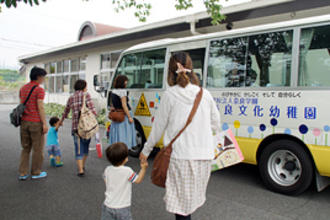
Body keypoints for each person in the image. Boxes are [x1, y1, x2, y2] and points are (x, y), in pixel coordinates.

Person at [139, 52, 221, 220]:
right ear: (192, 69)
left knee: (181, 208)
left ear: (170, 71)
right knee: (189, 204)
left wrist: (145, 151)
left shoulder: (170, 95)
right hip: (204, 157)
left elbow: (158, 127)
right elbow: (216, 124)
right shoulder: (204, 94)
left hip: (181, 157)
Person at [101, 142, 148, 220]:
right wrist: (143, 168)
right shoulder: (127, 171)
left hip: (108, 205)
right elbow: (138, 180)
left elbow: (106, 181)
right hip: (122, 207)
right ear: (125, 158)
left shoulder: (107, 169)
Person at [60, 79, 97, 177]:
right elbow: (93, 110)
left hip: (76, 127)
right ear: (83, 87)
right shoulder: (86, 95)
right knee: (85, 148)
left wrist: (61, 121)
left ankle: (80, 169)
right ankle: (82, 165)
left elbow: (66, 111)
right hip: (87, 127)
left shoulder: (71, 98)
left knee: (78, 148)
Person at [18, 66, 48, 180]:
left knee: (25, 148)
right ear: (39, 77)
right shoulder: (39, 89)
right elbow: (40, 107)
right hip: (35, 123)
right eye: (43, 77)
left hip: (24, 122)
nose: (44, 79)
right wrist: (44, 123)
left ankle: (22, 173)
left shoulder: (23, 88)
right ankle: (36, 172)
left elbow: (22, 104)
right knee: (38, 149)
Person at [108, 75, 136, 149]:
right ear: (123, 82)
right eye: (125, 81)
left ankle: (117, 150)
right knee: (125, 135)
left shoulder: (113, 91)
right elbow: (124, 105)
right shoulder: (123, 92)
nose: (126, 82)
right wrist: (129, 117)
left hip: (117, 115)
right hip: (124, 116)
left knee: (118, 134)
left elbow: (112, 105)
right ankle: (123, 152)